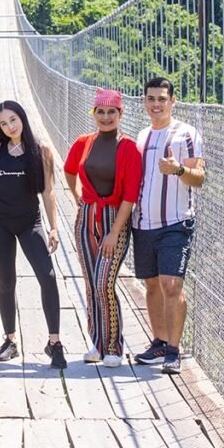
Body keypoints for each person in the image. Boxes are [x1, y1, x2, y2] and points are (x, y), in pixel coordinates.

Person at [0, 100, 67, 369]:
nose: (9, 126)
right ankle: (10, 340)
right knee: (7, 281)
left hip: (30, 221)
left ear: (23, 118)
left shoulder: (41, 150)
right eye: (3, 123)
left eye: (13, 120)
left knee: (48, 276)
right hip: (0, 221)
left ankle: (54, 342)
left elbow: (49, 191)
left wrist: (53, 227)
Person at [63, 89, 142, 368]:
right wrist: (78, 199)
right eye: (101, 112)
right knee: (90, 284)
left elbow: (130, 196)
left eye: (112, 112)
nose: (106, 117)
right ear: (93, 114)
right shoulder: (83, 142)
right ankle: (96, 343)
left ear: (120, 114)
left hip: (114, 220)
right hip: (86, 217)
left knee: (103, 283)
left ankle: (114, 347)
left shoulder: (129, 148)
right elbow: (69, 170)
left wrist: (114, 232)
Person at [131, 78, 205, 375]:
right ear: (144, 102)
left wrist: (178, 169)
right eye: (151, 99)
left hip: (176, 221)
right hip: (143, 222)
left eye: (162, 98)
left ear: (173, 101)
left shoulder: (186, 133)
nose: (156, 104)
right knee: (151, 286)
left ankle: (174, 350)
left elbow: (199, 178)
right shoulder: (141, 135)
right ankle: (160, 341)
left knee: (171, 285)